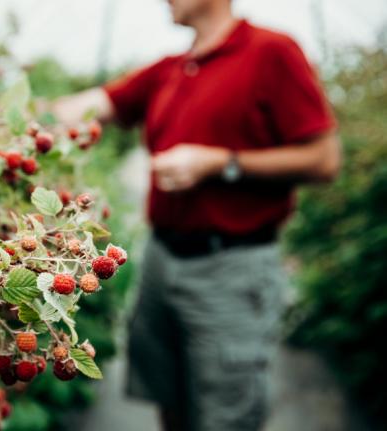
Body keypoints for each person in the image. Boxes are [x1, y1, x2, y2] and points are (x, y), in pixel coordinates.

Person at [45, 0, 340, 430]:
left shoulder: (271, 53)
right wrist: (12, 120)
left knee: (225, 413)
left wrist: (221, 163)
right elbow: (96, 105)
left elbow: (323, 159)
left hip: (231, 269)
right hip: (162, 260)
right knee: (169, 402)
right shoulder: (173, 68)